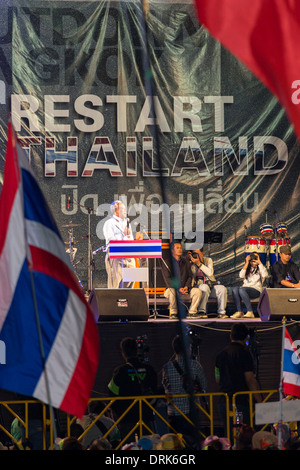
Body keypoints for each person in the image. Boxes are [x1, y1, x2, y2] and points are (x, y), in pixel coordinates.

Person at [215, 323, 262, 438]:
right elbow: (250, 379)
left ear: (231, 336)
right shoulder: (245, 354)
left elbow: (217, 378)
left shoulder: (220, 355)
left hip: (224, 402)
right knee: (240, 434)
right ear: (246, 337)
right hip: (239, 403)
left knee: (229, 435)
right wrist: (260, 401)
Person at [107, 337, 158, 442]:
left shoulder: (120, 371)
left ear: (123, 353)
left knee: (128, 446)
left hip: (126, 418)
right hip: (146, 417)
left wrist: (120, 413)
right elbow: (155, 392)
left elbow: (111, 394)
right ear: (136, 350)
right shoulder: (149, 369)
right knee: (148, 445)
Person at [161, 334, 207, 448]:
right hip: (190, 411)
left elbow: (164, 386)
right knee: (192, 443)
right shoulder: (195, 365)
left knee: (173, 444)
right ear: (187, 348)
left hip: (173, 412)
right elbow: (204, 385)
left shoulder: (167, 367)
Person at [160, 241, 202, 319]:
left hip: (185, 289)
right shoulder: (167, 262)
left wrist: (186, 287)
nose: (180, 250)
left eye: (181, 248)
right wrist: (178, 289)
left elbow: (190, 276)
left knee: (197, 291)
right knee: (172, 291)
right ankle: (174, 313)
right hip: (171, 289)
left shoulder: (186, 262)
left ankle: (192, 312)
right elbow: (168, 279)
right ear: (172, 250)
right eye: (177, 248)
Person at [103, 200, 136, 288]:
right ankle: (114, 302)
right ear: (116, 210)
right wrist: (123, 234)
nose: (125, 211)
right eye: (122, 208)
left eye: (125, 208)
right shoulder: (109, 223)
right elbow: (111, 240)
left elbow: (131, 239)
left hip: (128, 255)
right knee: (116, 283)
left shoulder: (127, 223)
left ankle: (128, 300)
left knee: (130, 281)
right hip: (116, 255)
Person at [188, 248, 228, 319]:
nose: (196, 256)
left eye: (198, 254)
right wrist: (190, 262)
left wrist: (199, 264)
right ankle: (201, 311)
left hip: (211, 286)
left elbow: (210, 273)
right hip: (198, 289)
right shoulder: (191, 263)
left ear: (202, 253)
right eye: (194, 254)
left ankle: (221, 312)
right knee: (204, 287)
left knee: (222, 288)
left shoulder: (208, 260)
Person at [231, 252, 268, 319]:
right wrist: (247, 262)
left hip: (255, 290)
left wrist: (259, 262)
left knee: (241, 289)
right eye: (252, 259)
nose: (254, 261)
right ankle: (239, 311)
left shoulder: (261, 268)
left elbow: (265, 275)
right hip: (244, 290)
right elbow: (241, 275)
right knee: (235, 289)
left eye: (256, 258)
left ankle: (250, 311)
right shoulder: (247, 268)